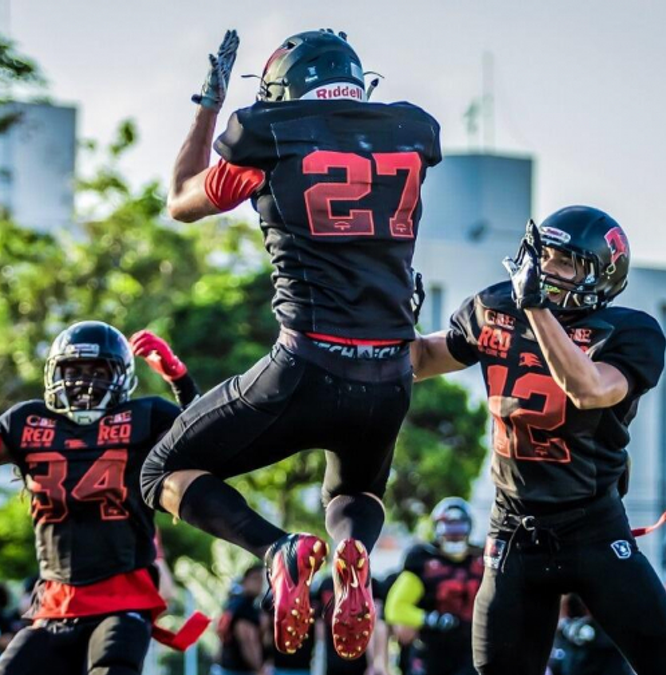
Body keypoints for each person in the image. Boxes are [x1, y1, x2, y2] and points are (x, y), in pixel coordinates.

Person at [142, 28, 442, 661]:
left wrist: (208, 105)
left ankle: (278, 550)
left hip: (305, 364)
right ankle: (346, 552)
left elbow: (181, 201)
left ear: (285, 90)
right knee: (354, 495)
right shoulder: (412, 131)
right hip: (389, 374)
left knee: (159, 471)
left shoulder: (267, 136)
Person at [410, 207, 666, 675]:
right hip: (514, 528)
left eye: (565, 262)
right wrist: (394, 318)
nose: (547, 269)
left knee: (664, 656)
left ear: (601, 275)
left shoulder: (630, 332)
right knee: (498, 669)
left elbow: (588, 390)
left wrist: (536, 309)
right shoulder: (495, 307)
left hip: (591, 523)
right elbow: (419, 362)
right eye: (544, 254)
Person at [0, 318, 209, 674]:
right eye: (74, 370)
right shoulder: (27, 421)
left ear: (120, 375)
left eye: (96, 371)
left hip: (123, 599)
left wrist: (179, 378)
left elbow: (206, 439)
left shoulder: (146, 415)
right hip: (55, 605)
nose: (83, 382)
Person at [385, 498, 483, 675]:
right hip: (431, 651)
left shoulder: (481, 560)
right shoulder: (423, 560)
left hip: (471, 652)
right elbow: (395, 608)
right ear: (437, 528)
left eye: (459, 527)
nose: (454, 534)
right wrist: (430, 619)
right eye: (448, 526)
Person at [214, 566, 266, 675]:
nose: (259, 584)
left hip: (227, 665)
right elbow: (247, 639)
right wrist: (258, 667)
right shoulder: (244, 606)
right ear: (245, 581)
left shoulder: (233, 603)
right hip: (240, 669)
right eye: (255, 579)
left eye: (261, 579)